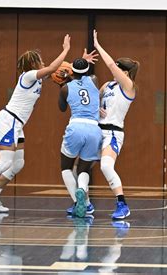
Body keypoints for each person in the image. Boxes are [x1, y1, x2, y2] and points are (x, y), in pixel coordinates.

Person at [0, 35, 72, 214]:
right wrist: (66, 49)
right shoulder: (29, 75)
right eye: (40, 60)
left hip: (17, 123)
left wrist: (79, 66)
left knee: (18, 163)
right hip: (8, 120)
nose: (44, 62)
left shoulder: (37, 79)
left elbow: (57, 72)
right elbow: (53, 68)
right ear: (34, 63)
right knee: (5, 161)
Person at [93, 30, 139, 220]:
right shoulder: (107, 86)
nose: (114, 72)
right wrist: (96, 108)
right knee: (81, 165)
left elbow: (111, 65)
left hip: (112, 133)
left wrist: (97, 45)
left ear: (125, 73)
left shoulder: (129, 87)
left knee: (105, 166)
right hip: (96, 131)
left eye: (118, 70)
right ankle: (82, 204)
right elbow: (91, 102)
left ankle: (122, 204)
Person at [59, 57, 102, 218]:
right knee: (84, 168)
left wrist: (62, 83)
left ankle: (78, 203)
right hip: (93, 128)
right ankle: (84, 194)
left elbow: (62, 108)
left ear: (72, 71)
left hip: (76, 126)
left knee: (66, 167)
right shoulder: (94, 80)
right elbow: (82, 79)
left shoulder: (65, 88)